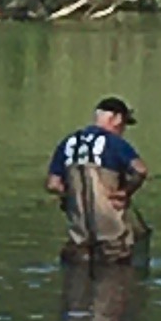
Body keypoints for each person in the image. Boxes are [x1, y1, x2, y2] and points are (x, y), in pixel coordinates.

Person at [44, 97, 149, 264]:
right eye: (123, 125)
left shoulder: (69, 142)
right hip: (111, 243)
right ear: (116, 119)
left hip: (79, 244)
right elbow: (140, 170)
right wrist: (125, 192)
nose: (122, 130)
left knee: (77, 271)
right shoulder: (115, 143)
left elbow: (52, 184)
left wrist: (69, 195)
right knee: (117, 273)